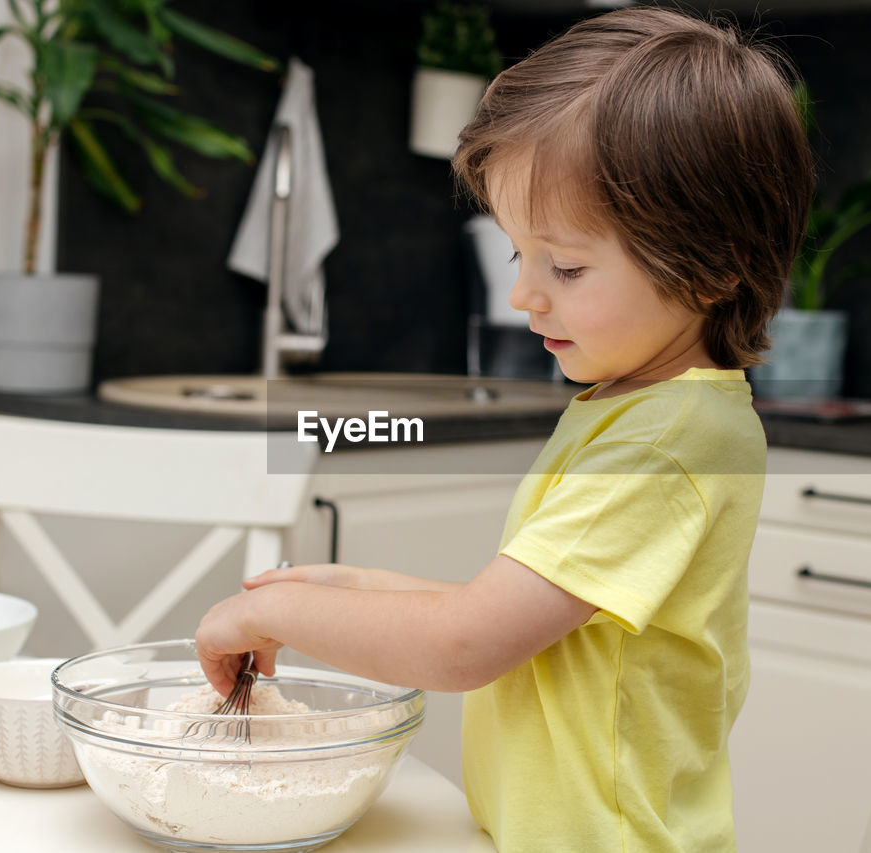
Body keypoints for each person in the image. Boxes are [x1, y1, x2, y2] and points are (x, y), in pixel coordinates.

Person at [196, 7, 814, 851]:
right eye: (518, 253)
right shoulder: (639, 405)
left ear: (712, 267)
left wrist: (280, 615)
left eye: (564, 265)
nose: (525, 293)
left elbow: (464, 646)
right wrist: (354, 587)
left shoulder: (668, 442)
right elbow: (528, 617)